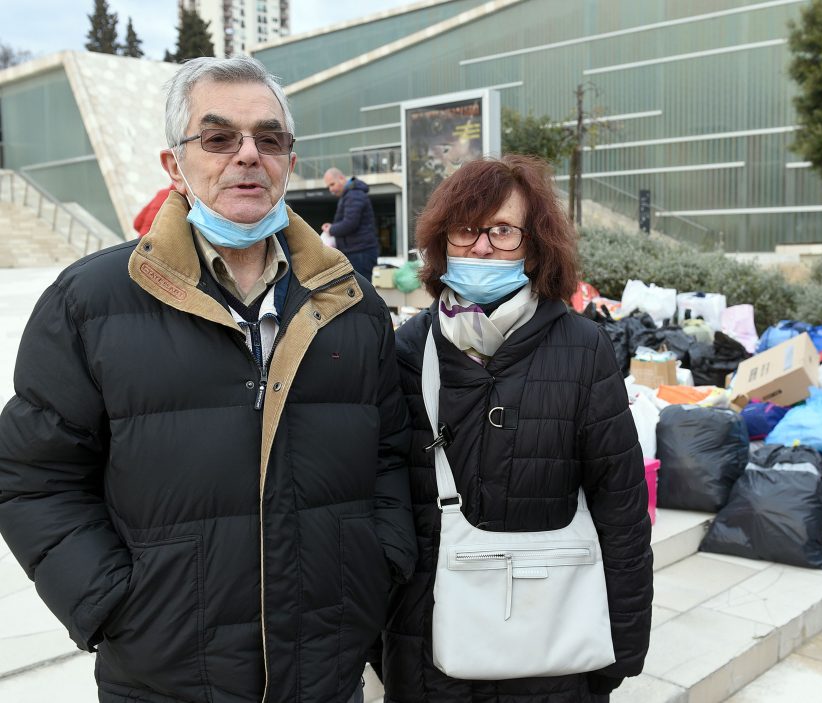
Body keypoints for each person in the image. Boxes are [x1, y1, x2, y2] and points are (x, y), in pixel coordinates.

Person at [0, 56, 416, 703]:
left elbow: (389, 457)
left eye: (269, 138)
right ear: (175, 165)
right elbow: (31, 475)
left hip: (323, 674)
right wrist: (113, 603)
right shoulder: (90, 302)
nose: (247, 155)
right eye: (219, 137)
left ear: (290, 161)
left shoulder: (353, 308)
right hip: (162, 679)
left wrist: (375, 569)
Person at [382, 154, 653, 701]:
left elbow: (621, 508)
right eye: (466, 229)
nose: (482, 247)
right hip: (429, 653)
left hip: (552, 653)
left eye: (502, 231)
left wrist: (622, 647)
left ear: (533, 244)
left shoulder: (583, 348)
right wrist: (384, 640)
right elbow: (382, 499)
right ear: (442, 241)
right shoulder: (410, 349)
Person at [322, 167, 378, 280]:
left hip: (360, 252)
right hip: (358, 251)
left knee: (362, 293)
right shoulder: (351, 195)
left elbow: (350, 223)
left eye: (332, 184)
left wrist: (331, 230)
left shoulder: (354, 195)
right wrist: (333, 227)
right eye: (329, 187)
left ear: (341, 178)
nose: (331, 189)